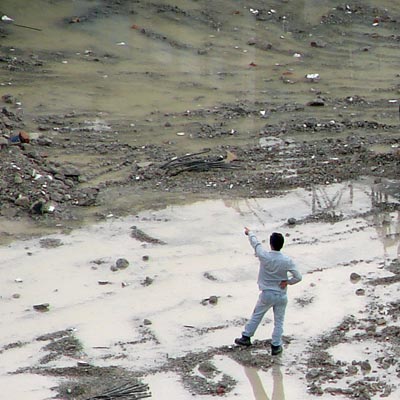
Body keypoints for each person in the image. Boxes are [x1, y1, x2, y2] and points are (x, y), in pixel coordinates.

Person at [235, 227, 302, 355]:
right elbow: (298, 277)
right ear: (282, 245)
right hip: (281, 294)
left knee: (257, 315)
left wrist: (250, 233)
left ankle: (246, 337)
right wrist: (287, 282)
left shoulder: (264, 256)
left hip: (267, 293)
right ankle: (276, 345)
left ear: (271, 244)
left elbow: (256, 244)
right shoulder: (287, 260)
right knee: (279, 321)